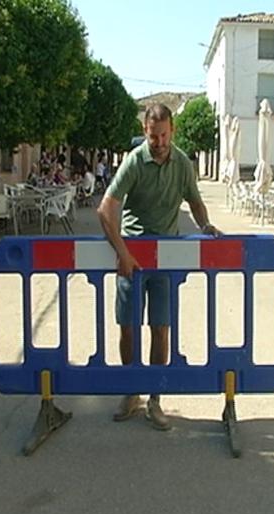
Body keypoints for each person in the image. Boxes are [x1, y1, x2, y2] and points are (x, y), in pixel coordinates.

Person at [97, 103, 222, 431]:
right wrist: (122, 253)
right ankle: (131, 391)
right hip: (133, 257)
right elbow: (105, 209)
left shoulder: (182, 164)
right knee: (127, 326)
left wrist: (206, 224)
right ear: (145, 133)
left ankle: (155, 398)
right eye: (153, 137)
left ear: (173, 131)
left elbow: (194, 200)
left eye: (164, 135)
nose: (159, 142)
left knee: (161, 327)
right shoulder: (134, 162)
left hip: (165, 257)